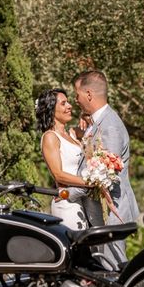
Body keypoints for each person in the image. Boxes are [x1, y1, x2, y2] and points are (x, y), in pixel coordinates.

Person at [72, 70, 139, 268]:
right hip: (98, 211)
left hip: (112, 210)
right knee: (103, 268)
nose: (76, 100)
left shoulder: (110, 125)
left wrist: (70, 193)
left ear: (89, 95)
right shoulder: (97, 123)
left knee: (114, 268)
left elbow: (103, 175)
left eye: (77, 94)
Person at [35, 88, 89, 230]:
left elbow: (96, 134)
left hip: (83, 199)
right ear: (51, 110)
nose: (69, 106)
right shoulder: (50, 137)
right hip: (67, 204)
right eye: (64, 103)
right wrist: (90, 182)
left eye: (68, 102)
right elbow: (58, 174)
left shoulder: (72, 133)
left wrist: (86, 115)